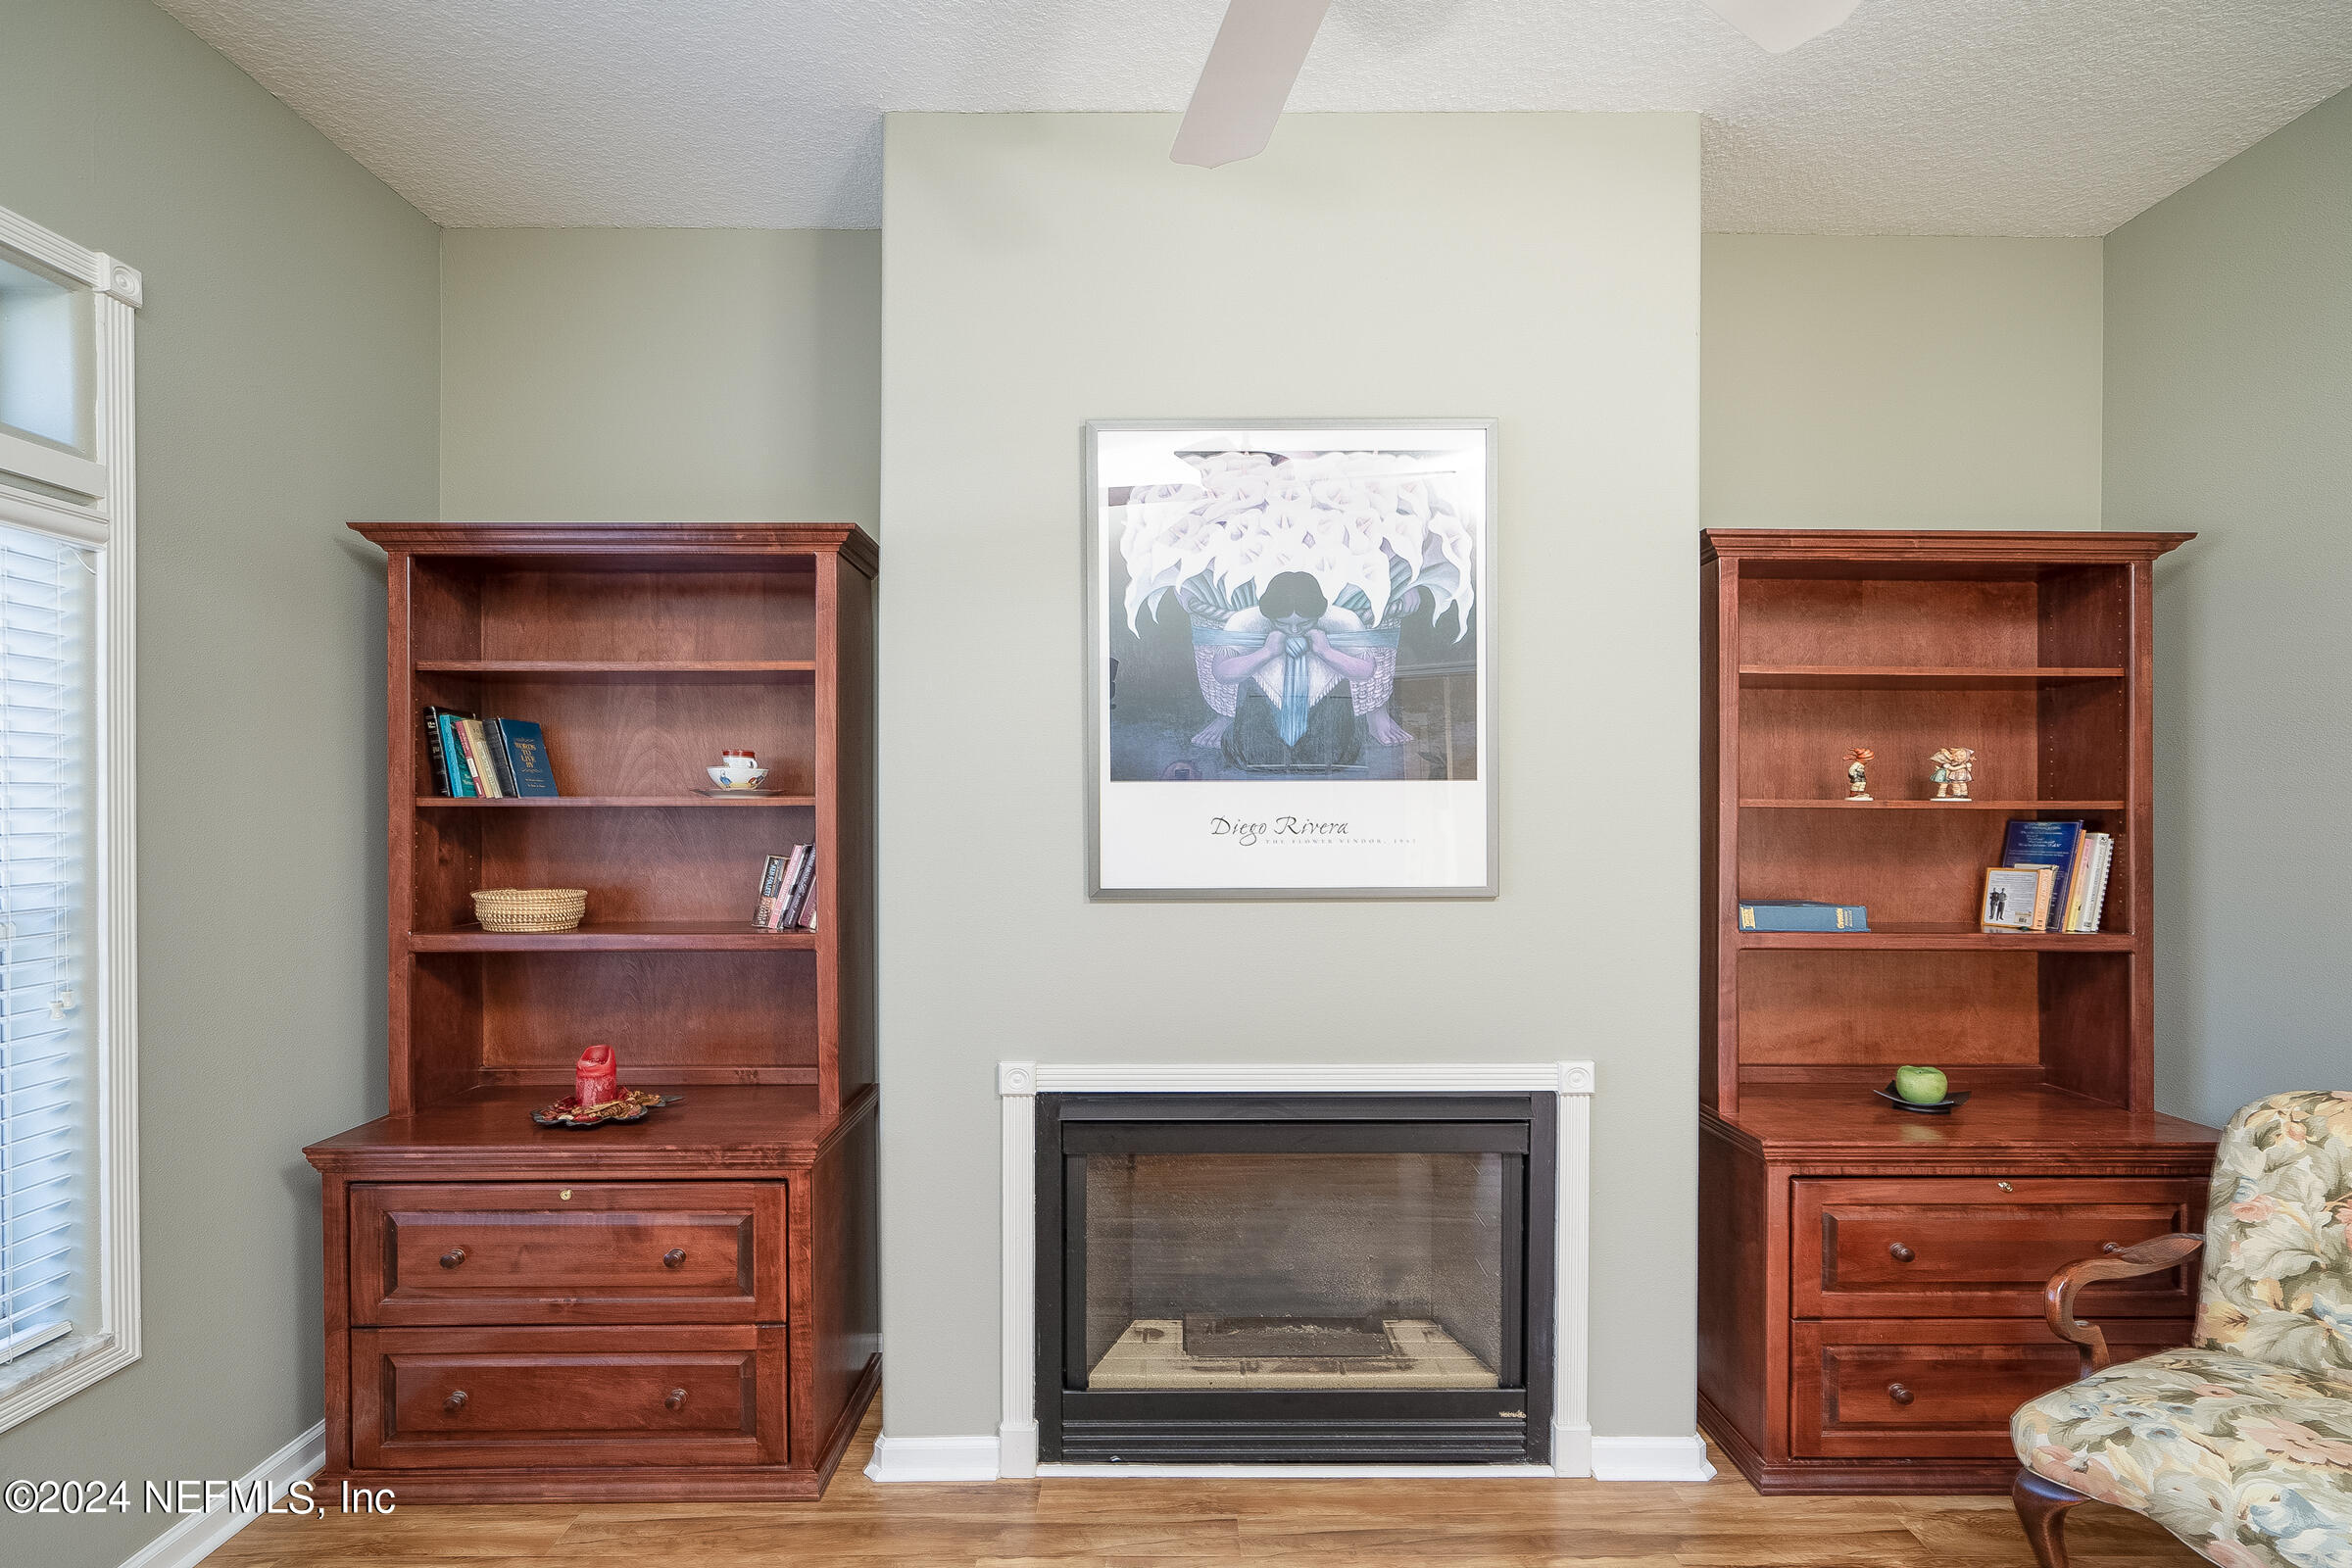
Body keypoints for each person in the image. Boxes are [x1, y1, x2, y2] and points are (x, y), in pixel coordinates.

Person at [1209, 572, 1375, 770]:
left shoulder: (1344, 620)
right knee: (1257, 756)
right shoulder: (1245, 621)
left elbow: (1366, 670)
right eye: (1283, 623)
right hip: (1262, 707)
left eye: (1304, 623)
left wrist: (1327, 652)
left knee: (1333, 757)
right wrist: (1265, 653)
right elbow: (1221, 672)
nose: (1295, 631)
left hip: (1325, 709)